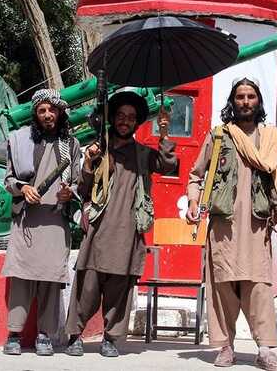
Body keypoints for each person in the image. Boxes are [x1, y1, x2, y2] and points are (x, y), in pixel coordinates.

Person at [186, 76, 277, 370]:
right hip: (223, 225)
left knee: (259, 286)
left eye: (251, 97)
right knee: (222, 285)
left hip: (258, 225)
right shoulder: (219, 135)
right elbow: (196, 175)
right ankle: (225, 347)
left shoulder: (271, 137)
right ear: (232, 102)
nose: (245, 102)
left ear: (259, 102)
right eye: (240, 97)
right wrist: (194, 201)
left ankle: (266, 350)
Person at [64, 90, 177, 357]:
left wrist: (163, 134)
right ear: (113, 119)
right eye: (121, 116)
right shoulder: (99, 148)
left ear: (136, 123)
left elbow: (167, 165)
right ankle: (74, 335)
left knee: (119, 287)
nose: (125, 121)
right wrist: (90, 162)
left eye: (131, 117)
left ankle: (111, 338)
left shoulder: (142, 154)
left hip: (128, 231)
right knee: (87, 285)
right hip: (98, 230)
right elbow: (84, 186)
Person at [1, 89, 81, 356]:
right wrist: (24, 189)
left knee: (50, 280)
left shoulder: (71, 144)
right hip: (27, 219)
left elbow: (79, 182)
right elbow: (8, 179)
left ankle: (44, 335)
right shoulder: (20, 140)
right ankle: (14, 334)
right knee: (21, 278)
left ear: (60, 113)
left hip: (55, 220)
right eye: (42, 110)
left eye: (52, 110)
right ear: (36, 114)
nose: (48, 115)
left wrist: (70, 192)